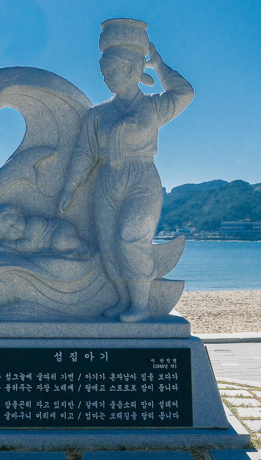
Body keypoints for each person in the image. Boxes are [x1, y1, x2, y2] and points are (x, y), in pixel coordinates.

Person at [59, 22, 194, 322]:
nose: (106, 78)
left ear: (132, 71)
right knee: (109, 244)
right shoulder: (97, 114)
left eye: (111, 72)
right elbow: (84, 153)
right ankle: (123, 299)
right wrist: (69, 187)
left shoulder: (153, 107)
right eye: (103, 73)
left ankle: (141, 305)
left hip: (142, 178)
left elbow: (185, 92)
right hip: (108, 179)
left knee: (130, 237)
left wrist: (159, 66)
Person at [0, 204, 88, 256]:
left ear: (20, 215)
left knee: (58, 242)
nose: (14, 228)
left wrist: (14, 245)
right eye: (8, 231)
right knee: (57, 246)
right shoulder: (20, 237)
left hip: (60, 228)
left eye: (14, 221)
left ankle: (81, 244)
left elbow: (31, 245)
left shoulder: (33, 223)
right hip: (53, 239)